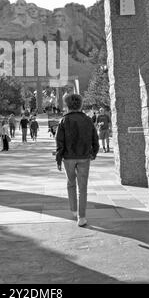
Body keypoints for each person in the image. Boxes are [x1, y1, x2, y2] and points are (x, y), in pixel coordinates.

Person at [56, 93, 99, 227]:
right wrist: (94, 152)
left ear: (67, 105)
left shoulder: (63, 120)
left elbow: (59, 142)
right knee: (83, 187)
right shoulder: (87, 120)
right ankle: (82, 216)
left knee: (70, 183)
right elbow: (95, 138)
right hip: (84, 156)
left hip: (68, 157)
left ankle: (74, 210)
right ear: (80, 104)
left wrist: (58, 158)